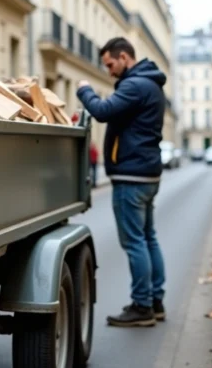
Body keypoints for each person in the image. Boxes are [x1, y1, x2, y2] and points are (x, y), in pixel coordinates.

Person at [76, 37, 167, 328]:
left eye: (111, 64)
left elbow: (102, 112)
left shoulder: (134, 85)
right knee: (148, 237)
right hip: (147, 173)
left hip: (131, 176)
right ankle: (155, 301)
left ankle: (142, 306)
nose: (110, 70)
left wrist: (84, 91)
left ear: (125, 57)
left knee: (134, 241)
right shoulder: (150, 83)